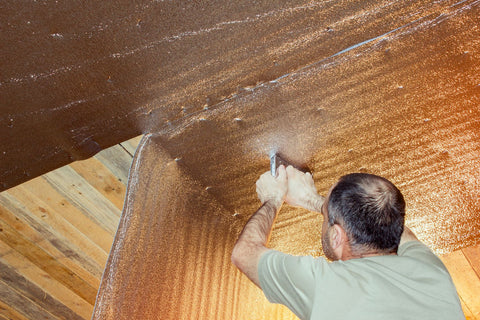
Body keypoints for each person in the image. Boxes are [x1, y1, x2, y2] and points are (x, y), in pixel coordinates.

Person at [231, 165, 465, 319]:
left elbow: (245, 253)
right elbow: (404, 233)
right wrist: (314, 201)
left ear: (336, 237)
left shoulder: (327, 286)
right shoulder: (432, 273)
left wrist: (272, 198)